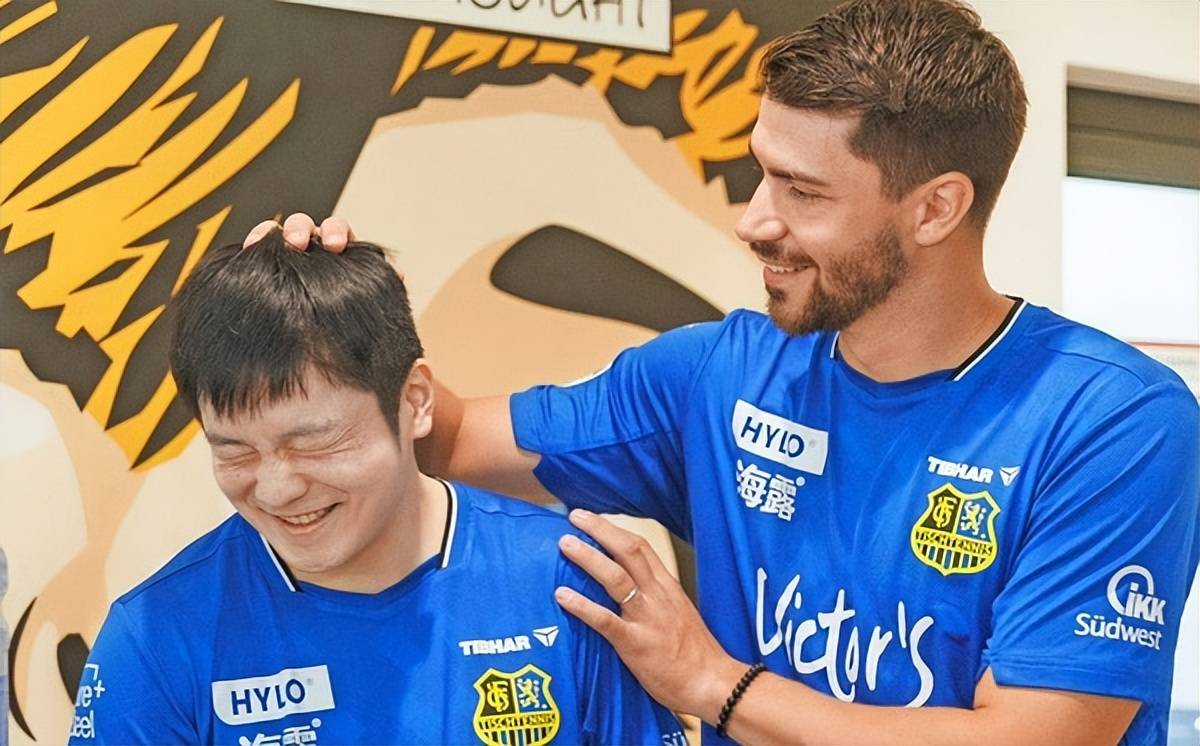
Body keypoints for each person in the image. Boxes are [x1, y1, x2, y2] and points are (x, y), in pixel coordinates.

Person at [248, 1, 1200, 743]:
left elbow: (1031, 738)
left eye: (803, 191)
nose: (754, 220)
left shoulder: (1111, 420)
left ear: (936, 208)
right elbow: (449, 440)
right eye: (762, 172)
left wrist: (715, 683)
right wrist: (330, 325)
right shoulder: (719, 375)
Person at [66, 232, 682, 745]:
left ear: (414, 401)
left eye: (313, 443)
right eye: (236, 451)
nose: (277, 489)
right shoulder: (158, 634)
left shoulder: (566, 583)